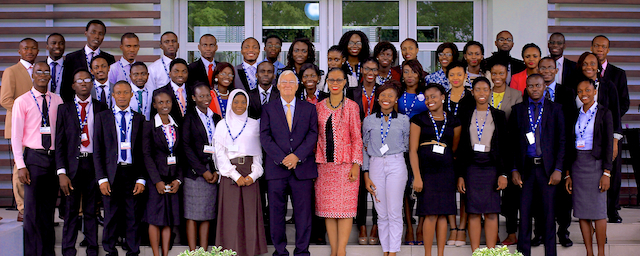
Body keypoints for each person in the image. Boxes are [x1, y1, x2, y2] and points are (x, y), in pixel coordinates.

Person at [260, 70, 319, 256]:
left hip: (302, 169)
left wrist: (297, 156)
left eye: (291, 82)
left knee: (303, 214)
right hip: (276, 170)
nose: (287, 85)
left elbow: (313, 134)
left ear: (297, 85)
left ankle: (302, 251)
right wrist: (282, 158)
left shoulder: (309, 108)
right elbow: (265, 136)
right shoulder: (268, 108)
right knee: (276, 214)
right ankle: (279, 251)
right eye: (283, 82)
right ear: (277, 86)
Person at [509, 74, 565, 256]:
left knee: (549, 215)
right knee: (524, 214)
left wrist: (558, 169)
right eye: (531, 86)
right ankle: (523, 253)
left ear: (544, 87)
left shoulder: (556, 109)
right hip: (525, 169)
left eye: (538, 85)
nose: (535, 89)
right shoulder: (518, 110)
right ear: (526, 88)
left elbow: (562, 141)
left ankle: (550, 253)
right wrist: (514, 169)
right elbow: (513, 143)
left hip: (547, 170)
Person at [12, 62, 64, 256]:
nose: (43, 74)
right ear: (32, 75)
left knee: (48, 211)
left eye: (46, 71)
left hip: (52, 160)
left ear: (50, 76)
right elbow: (16, 136)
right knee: (31, 213)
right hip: (33, 159)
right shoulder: (22, 101)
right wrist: (21, 165)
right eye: (38, 72)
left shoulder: (58, 100)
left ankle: (47, 252)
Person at [55, 68, 109, 256]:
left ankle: (92, 251)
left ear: (92, 83)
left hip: (93, 166)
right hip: (72, 169)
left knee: (91, 211)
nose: (84, 83)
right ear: (73, 85)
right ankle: (68, 251)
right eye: (79, 80)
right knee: (70, 212)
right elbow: (60, 143)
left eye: (87, 79)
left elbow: (105, 142)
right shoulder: (64, 108)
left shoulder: (101, 107)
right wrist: (61, 172)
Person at [94, 80, 147, 256]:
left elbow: (142, 152)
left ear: (132, 94)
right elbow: (98, 150)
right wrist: (101, 179)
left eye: (126, 92)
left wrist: (141, 178)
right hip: (111, 174)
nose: (122, 96)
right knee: (110, 215)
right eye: (118, 93)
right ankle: (110, 251)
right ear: (113, 95)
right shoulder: (102, 117)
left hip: (131, 173)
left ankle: (133, 251)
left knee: (132, 216)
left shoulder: (139, 119)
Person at [456, 77, 509, 252]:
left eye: (485, 89)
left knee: (492, 211)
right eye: (477, 89)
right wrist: (461, 174)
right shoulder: (464, 114)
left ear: (490, 92)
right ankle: (476, 253)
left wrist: (503, 173)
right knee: (473, 211)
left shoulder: (499, 115)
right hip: (472, 167)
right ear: (472, 92)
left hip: (492, 167)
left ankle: (491, 252)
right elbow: (462, 147)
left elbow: (503, 147)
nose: (481, 93)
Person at [315, 68, 363, 256]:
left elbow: (357, 138)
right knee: (329, 210)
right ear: (326, 82)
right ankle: (333, 250)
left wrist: (356, 164)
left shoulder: (352, 106)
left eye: (339, 80)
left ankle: (341, 251)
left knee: (345, 209)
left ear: (345, 82)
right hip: (324, 166)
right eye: (331, 80)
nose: (335, 83)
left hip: (346, 165)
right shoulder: (318, 107)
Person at [409, 83, 461, 256]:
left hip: (446, 171)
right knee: (430, 213)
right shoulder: (419, 119)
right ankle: (428, 254)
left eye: (434, 96)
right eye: (427, 97)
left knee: (443, 214)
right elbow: (412, 150)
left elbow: (454, 148)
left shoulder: (454, 120)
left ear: (443, 97)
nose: (430, 100)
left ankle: (440, 253)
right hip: (426, 172)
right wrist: (417, 176)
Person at [214, 89, 267, 256]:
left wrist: (254, 175)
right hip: (230, 175)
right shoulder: (222, 125)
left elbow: (258, 154)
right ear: (230, 103)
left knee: (250, 216)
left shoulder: (254, 124)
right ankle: (230, 252)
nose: (240, 105)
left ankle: (251, 252)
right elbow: (219, 154)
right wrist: (235, 175)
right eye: (236, 102)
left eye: (243, 102)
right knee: (230, 217)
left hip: (250, 174)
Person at [565, 79, 613, 256]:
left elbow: (608, 145)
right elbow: (570, 144)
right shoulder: (576, 113)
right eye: (579, 91)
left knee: (599, 212)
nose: (583, 93)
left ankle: (601, 253)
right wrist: (568, 174)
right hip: (578, 165)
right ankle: (589, 252)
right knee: (582, 212)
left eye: (587, 90)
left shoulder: (604, 113)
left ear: (595, 91)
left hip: (596, 165)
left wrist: (607, 172)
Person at [362, 80, 410, 255]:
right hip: (375, 164)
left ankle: (394, 251)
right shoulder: (368, 120)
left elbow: (406, 144)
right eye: (382, 95)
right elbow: (364, 147)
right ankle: (385, 249)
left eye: (390, 95)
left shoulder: (404, 120)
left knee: (394, 210)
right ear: (377, 98)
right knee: (381, 211)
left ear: (396, 99)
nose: (386, 98)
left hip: (396, 163)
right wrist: (366, 173)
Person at [591, 35, 629, 223]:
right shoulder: (584, 72)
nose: (599, 49)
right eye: (596, 45)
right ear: (591, 47)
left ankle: (612, 209)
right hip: (589, 131)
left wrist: (608, 121)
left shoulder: (618, 74)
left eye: (603, 46)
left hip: (612, 129)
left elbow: (624, 103)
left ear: (608, 50)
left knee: (613, 170)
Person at [1, 38, 39, 222]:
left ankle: (35, 208)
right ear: (19, 51)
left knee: (36, 167)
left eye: (33, 48)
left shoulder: (40, 69)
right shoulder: (11, 71)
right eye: (26, 48)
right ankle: (23, 208)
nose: (29, 51)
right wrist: (25, 113)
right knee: (20, 167)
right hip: (20, 127)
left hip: (38, 130)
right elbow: (5, 99)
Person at [182, 82, 222, 251]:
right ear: (193, 98)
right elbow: (186, 147)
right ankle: (192, 252)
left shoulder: (216, 117)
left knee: (207, 214)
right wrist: (202, 171)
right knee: (192, 215)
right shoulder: (188, 118)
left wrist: (215, 171)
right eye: (201, 96)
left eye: (208, 95)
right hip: (195, 173)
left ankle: (204, 251)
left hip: (213, 171)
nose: (205, 99)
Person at [143, 90, 183, 256]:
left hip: (172, 178)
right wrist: (156, 181)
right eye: (160, 103)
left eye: (167, 102)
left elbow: (181, 154)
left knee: (168, 220)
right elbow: (146, 154)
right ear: (154, 105)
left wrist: (179, 179)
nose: (164, 105)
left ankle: (165, 254)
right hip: (156, 180)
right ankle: (156, 254)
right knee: (154, 219)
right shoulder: (149, 125)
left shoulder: (176, 125)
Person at [488, 61, 523, 246]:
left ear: (507, 74)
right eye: (494, 73)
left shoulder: (516, 95)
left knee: (510, 194)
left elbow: (518, 123)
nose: (497, 77)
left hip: (509, 149)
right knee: (489, 190)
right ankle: (491, 232)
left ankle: (511, 232)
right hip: (487, 149)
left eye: (501, 73)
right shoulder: (484, 92)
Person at [346, 57, 380, 245]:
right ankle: (361, 225)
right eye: (366, 68)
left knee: (375, 185)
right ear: (361, 70)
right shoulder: (352, 92)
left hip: (377, 143)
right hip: (356, 142)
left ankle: (375, 224)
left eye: (374, 69)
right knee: (359, 187)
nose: (370, 72)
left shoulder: (383, 91)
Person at [397, 59, 428, 245]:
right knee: (405, 189)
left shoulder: (427, 94)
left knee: (422, 186)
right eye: (406, 72)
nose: (409, 76)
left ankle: (420, 227)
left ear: (420, 74)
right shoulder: (398, 94)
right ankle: (409, 227)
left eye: (413, 72)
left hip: (422, 146)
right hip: (401, 147)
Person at [62, 19, 115, 102]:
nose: (97, 36)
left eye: (100, 34)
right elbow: (66, 87)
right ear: (86, 33)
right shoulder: (72, 58)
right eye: (93, 32)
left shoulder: (109, 59)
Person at [153, 58, 190, 124]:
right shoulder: (159, 93)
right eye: (176, 71)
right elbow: (154, 119)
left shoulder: (193, 91)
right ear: (170, 73)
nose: (180, 75)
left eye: (184, 71)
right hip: (170, 132)